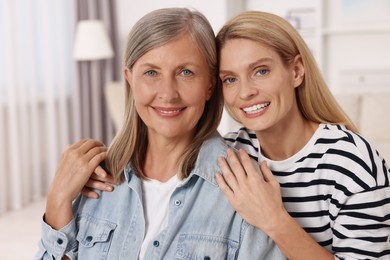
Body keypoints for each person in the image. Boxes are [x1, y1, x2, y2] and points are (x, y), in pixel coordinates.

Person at [34, 8, 285, 260]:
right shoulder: (93, 179)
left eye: (185, 72)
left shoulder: (244, 187)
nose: (168, 93)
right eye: (151, 72)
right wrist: (57, 202)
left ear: (210, 84)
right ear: (129, 79)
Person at [214, 10, 390, 260]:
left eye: (261, 71)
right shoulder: (228, 155)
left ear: (296, 71)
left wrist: (273, 219)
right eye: (230, 79)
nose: (245, 92)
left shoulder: (352, 163)